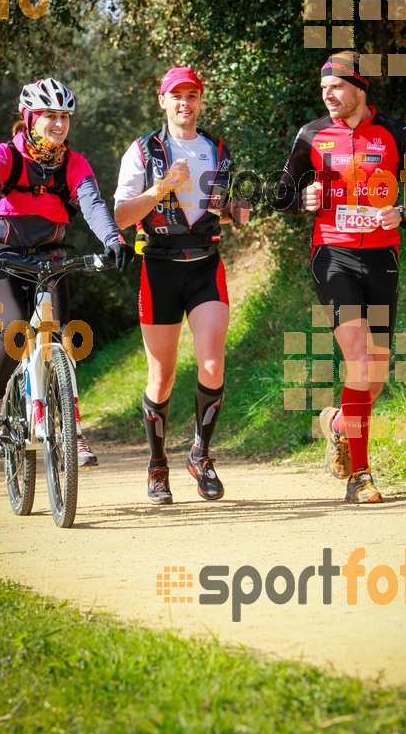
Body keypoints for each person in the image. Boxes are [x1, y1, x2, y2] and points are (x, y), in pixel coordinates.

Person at [278, 51, 406, 504]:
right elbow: (282, 194)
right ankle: (359, 476)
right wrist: (302, 196)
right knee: (361, 361)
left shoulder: (397, 133)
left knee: (375, 376)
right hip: (332, 255)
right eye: (323, 89)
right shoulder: (311, 135)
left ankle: (339, 424)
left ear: (359, 89)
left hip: (382, 258)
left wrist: (400, 212)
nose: (328, 95)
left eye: (337, 87)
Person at [0, 78, 134, 465]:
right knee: (15, 327)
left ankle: (71, 431)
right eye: (50, 115)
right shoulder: (3, 157)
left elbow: (92, 203)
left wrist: (114, 240)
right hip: (0, 258)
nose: (59, 123)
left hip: (49, 258)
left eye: (65, 116)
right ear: (29, 118)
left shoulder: (73, 163)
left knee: (58, 340)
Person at [114, 66, 249, 504]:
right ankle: (157, 467)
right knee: (162, 377)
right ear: (163, 101)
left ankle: (201, 454)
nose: (184, 103)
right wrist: (159, 190)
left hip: (206, 264)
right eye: (177, 95)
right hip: (159, 267)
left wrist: (235, 211)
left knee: (212, 365)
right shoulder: (142, 151)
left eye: (192, 95)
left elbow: (214, 209)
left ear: (201, 101)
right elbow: (120, 217)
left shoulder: (217, 149)